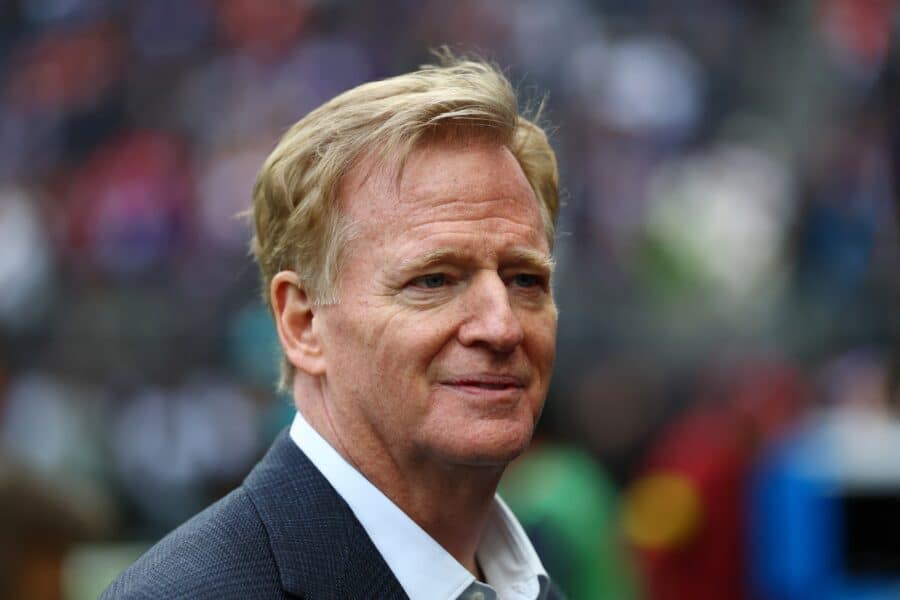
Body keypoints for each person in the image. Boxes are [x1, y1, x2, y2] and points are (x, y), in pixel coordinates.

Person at [103, 52, 562, 600]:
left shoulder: (531, 583)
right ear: (302, 324)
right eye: (435, 280)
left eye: (525, 280)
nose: (502, 325)